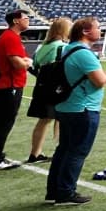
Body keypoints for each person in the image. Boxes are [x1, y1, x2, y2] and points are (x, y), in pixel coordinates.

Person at [45, 17, 106, 206]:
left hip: (66, 106)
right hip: (83, 108)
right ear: (86, 32)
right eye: (98, 28)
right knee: (77, 151)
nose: (101, 31)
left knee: (64, 149)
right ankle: (65, 192)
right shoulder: (84, 54)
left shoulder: (66, 49)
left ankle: (54, 191)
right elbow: (99, 81)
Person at [0, 9, 32, 170]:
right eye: (26, 18)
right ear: (16, 21)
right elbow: (17, 63)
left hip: (7, 84)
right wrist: (28, 62)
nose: (28, 20)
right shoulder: (11, 37)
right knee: (3, 122)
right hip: (9, 85)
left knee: (1, 121)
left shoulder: (9, 37)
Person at [24, 16, 71, 164]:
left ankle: (35, 152)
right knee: (62, 120)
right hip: (55, 89)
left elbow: (35, 67)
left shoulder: (42, 47)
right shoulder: (61, 47)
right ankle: (60, 151)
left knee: (44, 121)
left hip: (42, 87)